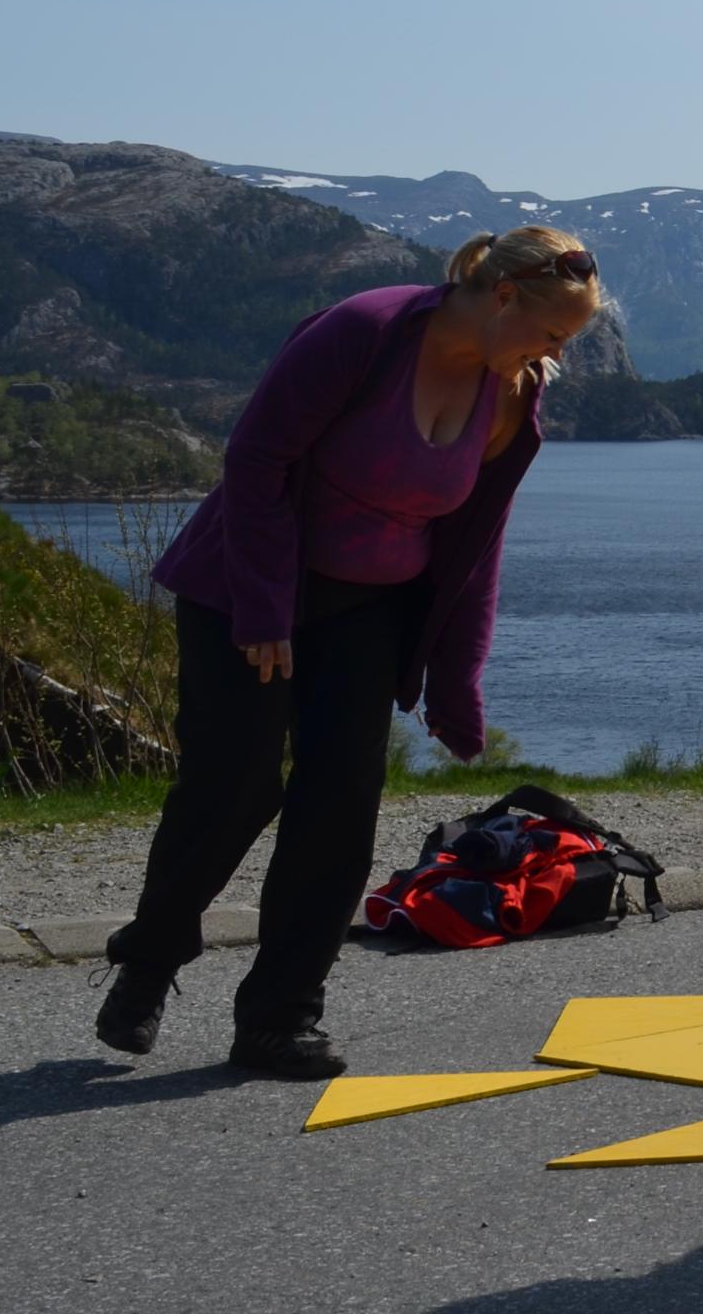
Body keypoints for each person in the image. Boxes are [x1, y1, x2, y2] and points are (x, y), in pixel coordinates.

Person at [97, 226, 601, 1077]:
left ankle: (280, 1018)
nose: (559, 355)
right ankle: (148, 964)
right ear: (505, 297)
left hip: (371, 610)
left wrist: (457, 683)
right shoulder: (363, 331)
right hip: (248, 588)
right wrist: (264, 608)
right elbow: (255, 461)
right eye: (555, 334)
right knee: (234, 787)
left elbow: (475, 544)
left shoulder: (513, 396)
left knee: (339, 808)